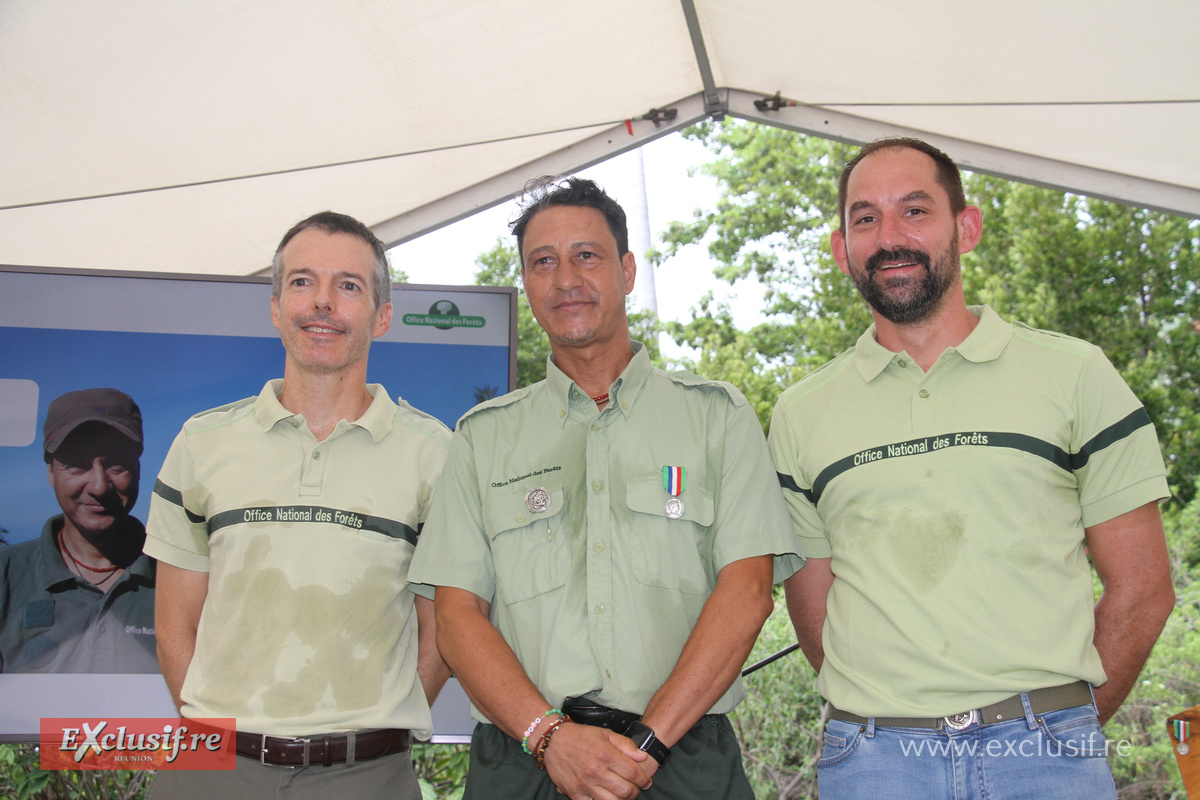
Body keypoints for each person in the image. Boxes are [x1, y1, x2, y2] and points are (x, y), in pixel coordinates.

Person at [769, 137, 1176, 799]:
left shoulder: (1076, 375)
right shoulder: (799, 413)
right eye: (865, 218)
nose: (889, 235)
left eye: (915, 211)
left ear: (967, 227)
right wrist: (886, 720)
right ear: (842, 248)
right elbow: (813, 613)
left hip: (1046, 753)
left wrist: (1059, 725)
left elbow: (1143, 588)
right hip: (874, 764)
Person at [409, 177, 804, 800]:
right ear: (528, 285)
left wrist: (646, 745)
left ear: (626, 270)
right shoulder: (483, 439)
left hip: (684, 761)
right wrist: (549, 738)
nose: (565, 277)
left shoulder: (716, 417)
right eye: (544, 262)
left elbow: (749, 591)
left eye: (586, 256)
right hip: (526, 763)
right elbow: (457, 618)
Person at [144, 211, 451, 798]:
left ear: (382, 316)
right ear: (276, 306)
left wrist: (372, 731)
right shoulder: (201, 443)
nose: (322, 303)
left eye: (349, 286)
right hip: (212, 770)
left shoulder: (436, 455)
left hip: (368, 775)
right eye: (302, 281)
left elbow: (446, 630)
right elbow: (174, 624)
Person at [0, 388, 156, 673]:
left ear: (138, 468)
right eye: (77, 466)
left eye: (116, 465)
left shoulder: (184, 577)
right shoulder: (6, 574)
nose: (99, 486)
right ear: (51, 473)